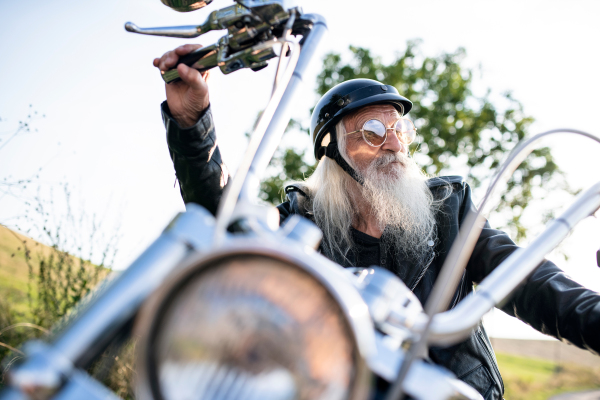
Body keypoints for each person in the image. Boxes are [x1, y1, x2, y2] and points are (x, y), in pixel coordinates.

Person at [154, 45, 600, 400]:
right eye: (371, 131)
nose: (393, 145)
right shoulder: (300, 219)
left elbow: (536, 286)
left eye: (399, 131)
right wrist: (193, 124)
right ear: (332, 149)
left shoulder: (449, 211)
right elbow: (228, 229)